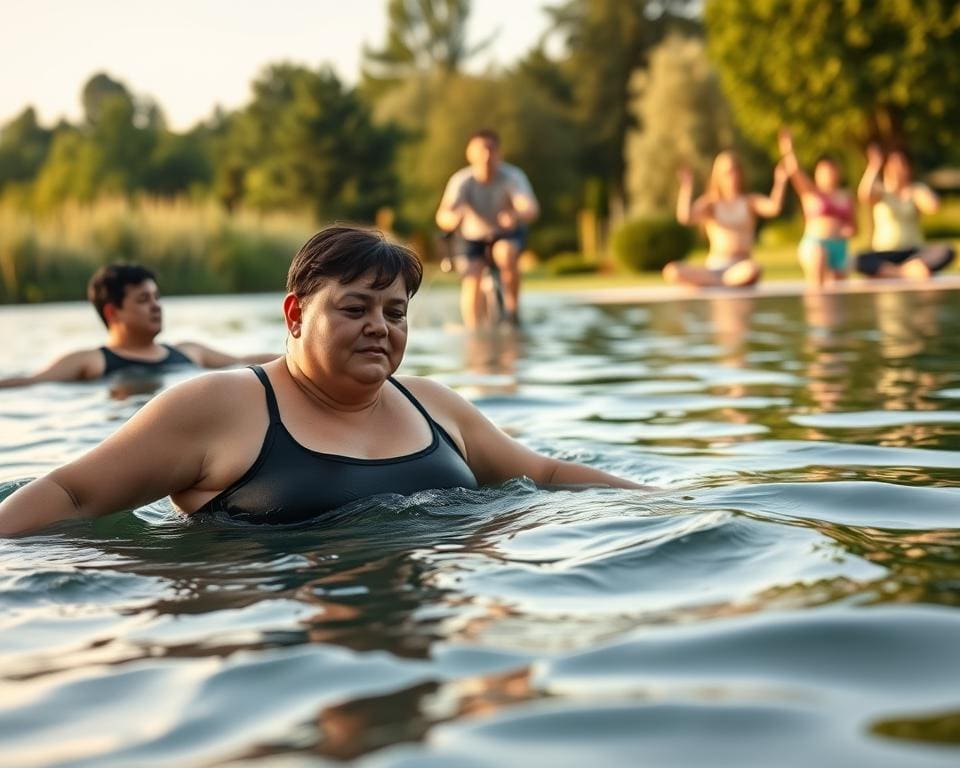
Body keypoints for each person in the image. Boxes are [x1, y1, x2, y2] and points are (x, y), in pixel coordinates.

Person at [0, 226, 646, 536]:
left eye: (396, 313)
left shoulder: (434, 404)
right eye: (355, 309)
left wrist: (664, 505)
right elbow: (70, 492)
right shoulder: (221, 403)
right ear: (295, 313)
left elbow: (548, 475)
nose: (381, 328)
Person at [0, 263, 278, 387]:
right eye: (144, 299)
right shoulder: (90, 361)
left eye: (157, 297)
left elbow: (244, 361)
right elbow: (30, 382)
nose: (156, 306)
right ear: (113, 312)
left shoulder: (190, 351)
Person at [436, 129, 539, 328]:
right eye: (481, 150)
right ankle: (473, 329)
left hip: (505, 234)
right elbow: (443, 214)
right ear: (470, 153)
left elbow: (529, 207)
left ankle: (512, 314)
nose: (487, 155)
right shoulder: (462, 181)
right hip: (472, 238)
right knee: (472, 276)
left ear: (499, 152)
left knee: (506, 253)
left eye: (491, 149)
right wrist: (452, 219)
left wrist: (516, 214)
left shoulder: (512, 176)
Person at [664, 152, 787, 288]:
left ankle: (715, 284)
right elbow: (685, 217)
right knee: (672, 271)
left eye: (735, 171)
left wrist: (780, 181)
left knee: (753, 269)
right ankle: (720, 283)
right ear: (718, 176)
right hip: (714, 269)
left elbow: (774, 208)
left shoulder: (749, 201)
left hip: (740, 267)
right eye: (727, 173)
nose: (732, 177)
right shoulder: (711, 204)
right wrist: (686, 187)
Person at [855, 146, 955, 279]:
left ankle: (894, 271)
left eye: (902, 164)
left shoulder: (915, 190)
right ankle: (901, 272)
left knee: (946, 251)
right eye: (894, 164)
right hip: (885, 254)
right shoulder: (881, 191)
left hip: (913, 254)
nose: (898, 169)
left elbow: (933, 206)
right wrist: (874, 166)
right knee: (860, 259)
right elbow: (864, 195)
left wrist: (914, 192)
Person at [778, 129, 857, 288]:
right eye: (823, 171)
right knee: (818, 268)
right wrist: (788, 150)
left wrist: (848, 231)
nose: (828, 174)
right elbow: (794, 171)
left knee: (838, 291)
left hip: (839, 247)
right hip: (816, 245)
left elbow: (855, 227)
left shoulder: (846, 196)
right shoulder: (811, 193)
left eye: (831, 170)